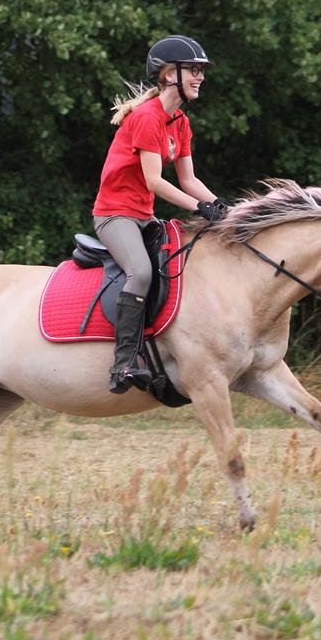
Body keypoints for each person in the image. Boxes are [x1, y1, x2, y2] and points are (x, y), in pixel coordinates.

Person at [92, 35, 228, 394]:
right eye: (194, 71)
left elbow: (189, 179)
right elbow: (154, 181)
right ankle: (121, 367)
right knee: (139, 273)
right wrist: (199, 207)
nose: (200, 77)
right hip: (115, 216)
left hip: (144, 218)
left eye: (201, 71)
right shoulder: (147, 118)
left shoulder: (179, 121)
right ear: (170, 74)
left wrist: (223, 208)